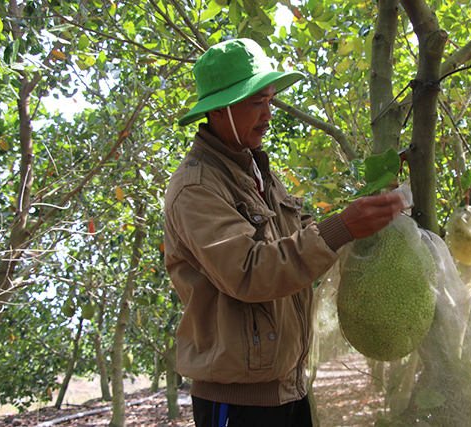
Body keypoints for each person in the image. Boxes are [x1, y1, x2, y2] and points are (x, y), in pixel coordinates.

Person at [164, 38, 406, 427]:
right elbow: (248, 272)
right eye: (256, 103)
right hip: (239, 402)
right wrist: (342, 227)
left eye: (271, 101)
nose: (268, 115)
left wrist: (363, 218)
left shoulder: (257, 172)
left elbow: (300, 236)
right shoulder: (197, 188)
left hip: (288, 388)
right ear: (219, 110)